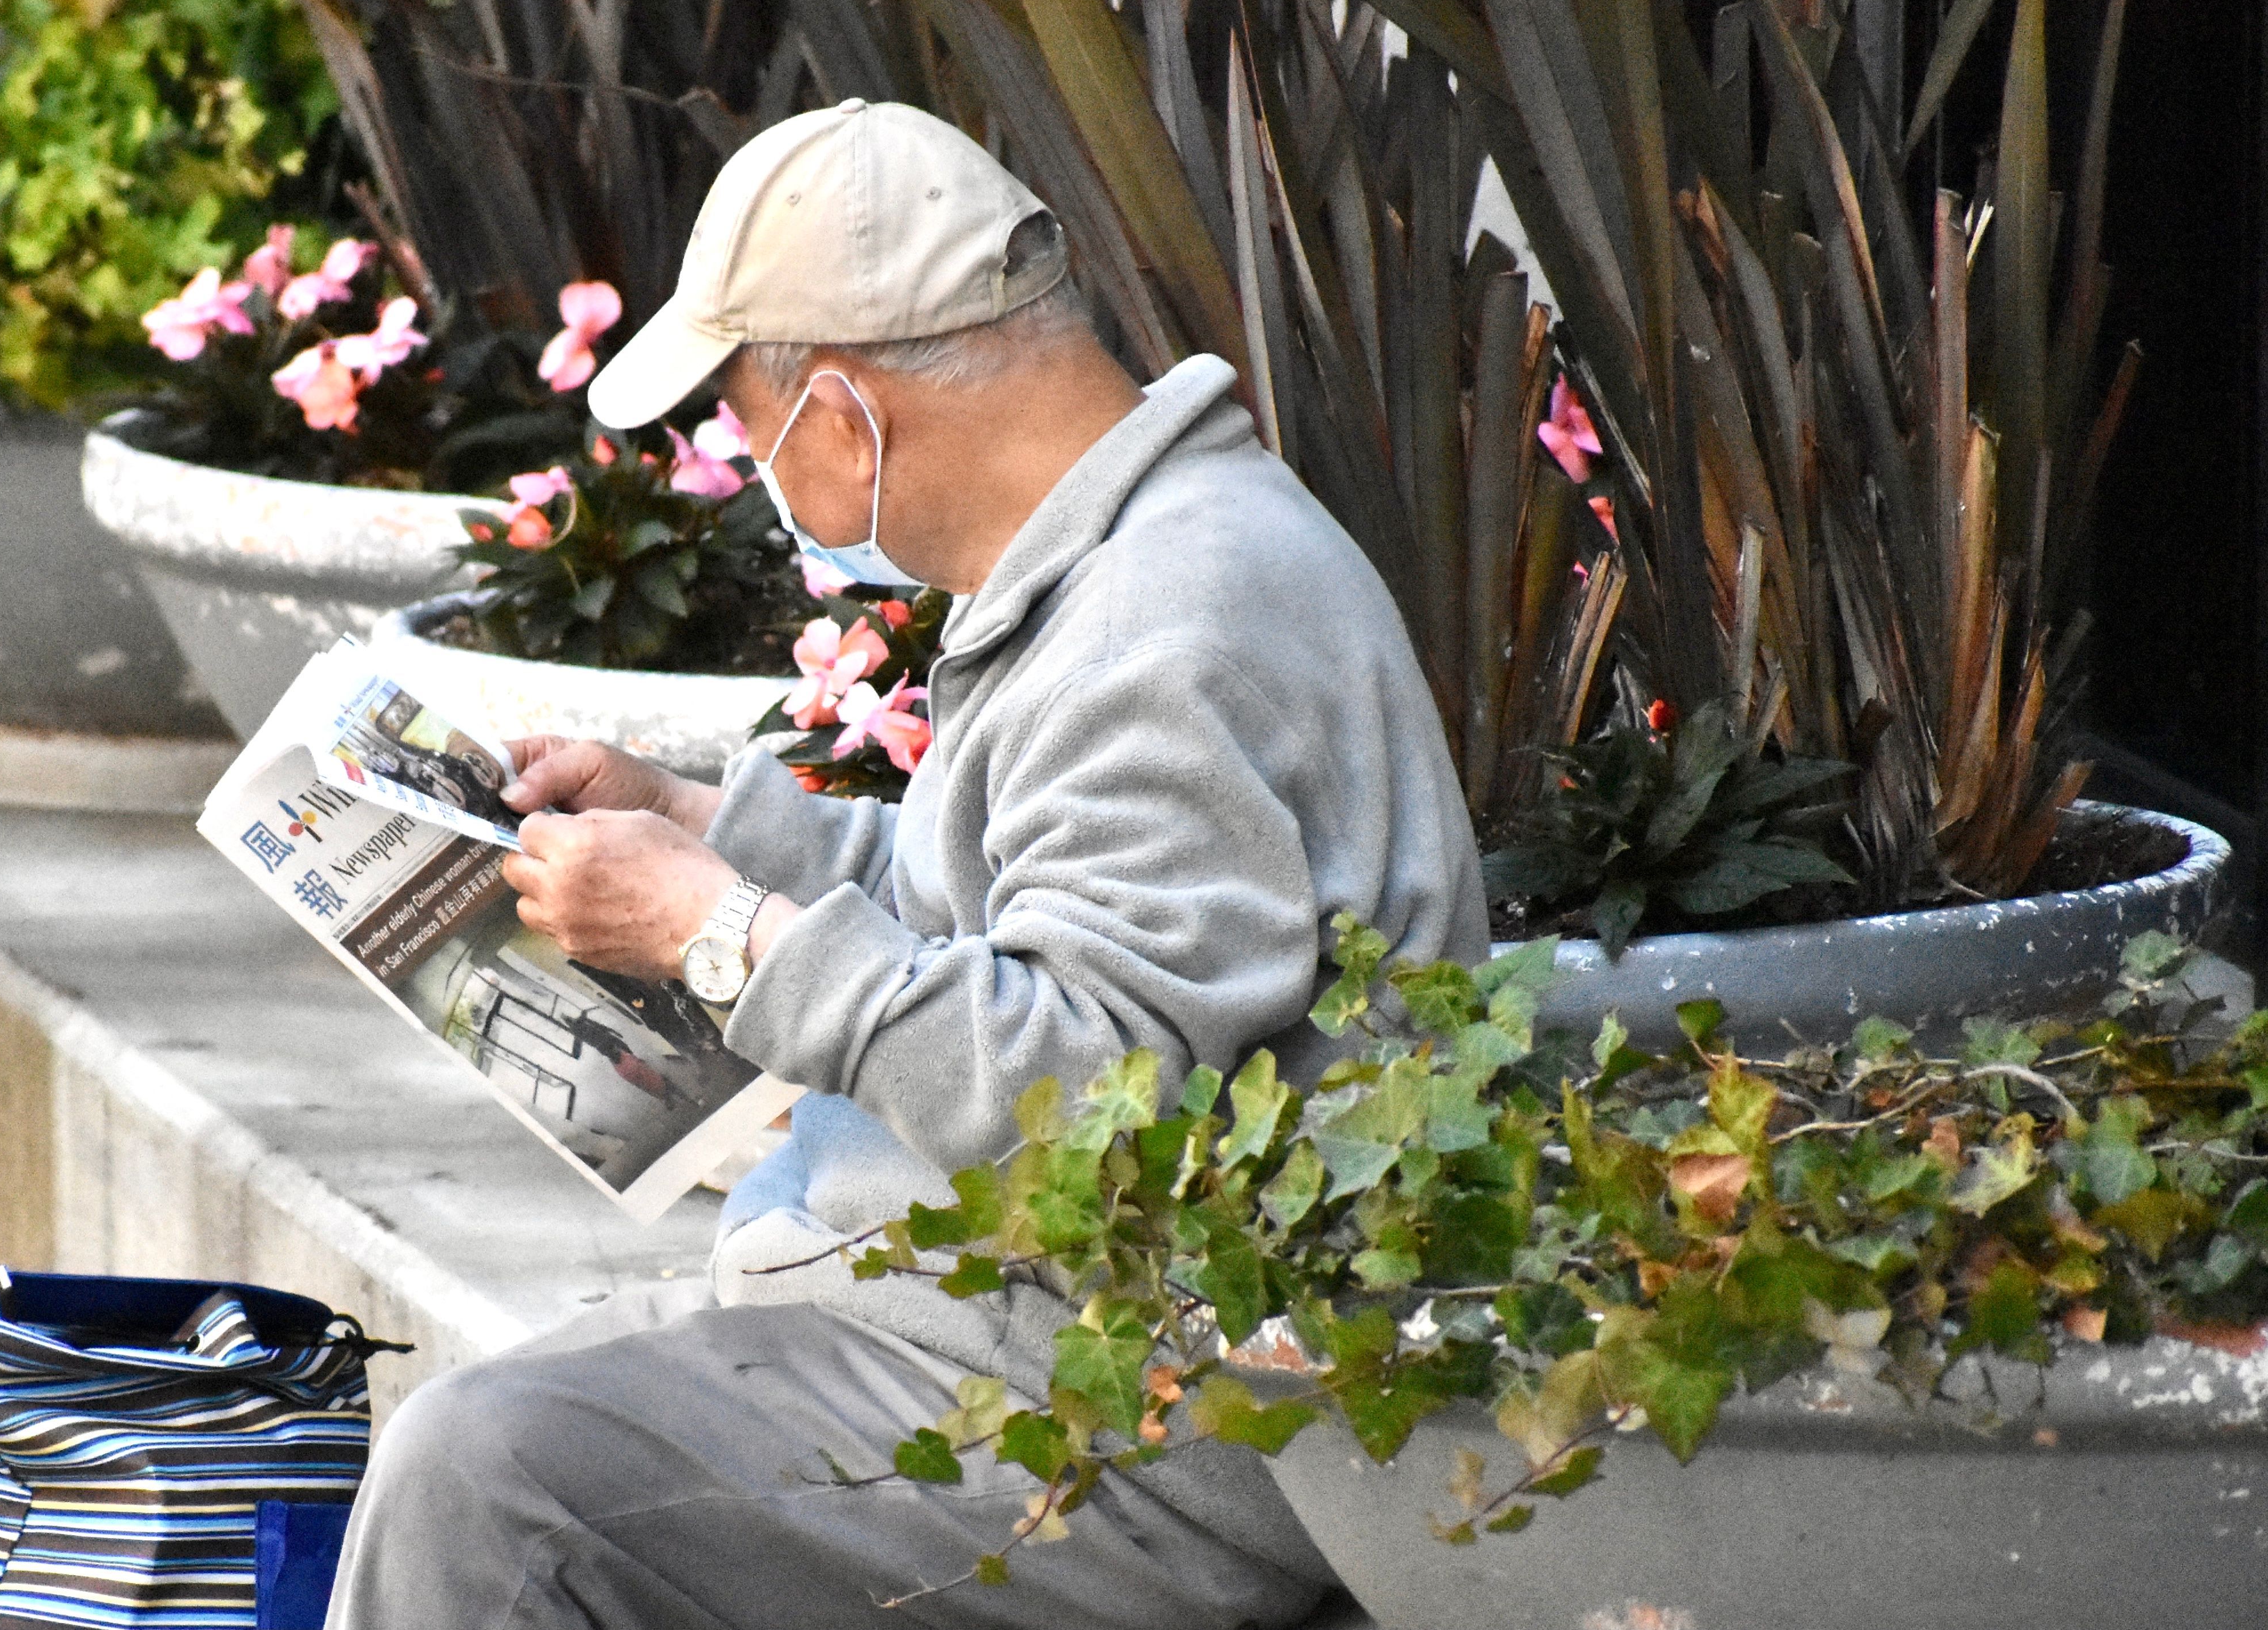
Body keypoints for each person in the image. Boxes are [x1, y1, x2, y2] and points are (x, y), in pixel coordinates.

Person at [327, 99, 1487, 1629]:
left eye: (748, 418)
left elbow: (1093, 1099)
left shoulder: (1172, 628)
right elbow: (1022, 908)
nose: (750, 466)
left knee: (484, 1476)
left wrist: (724, 934)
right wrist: (708, 827)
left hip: (1145, 1426)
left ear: (846, 409)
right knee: (522, 1434)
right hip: (1008, 1333)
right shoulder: (1135, 560)